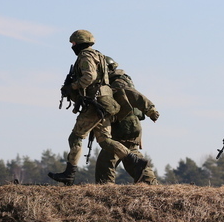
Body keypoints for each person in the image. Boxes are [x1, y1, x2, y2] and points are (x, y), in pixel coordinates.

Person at [48, 30, 149, 186]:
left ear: (79, 43)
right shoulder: (99, 56)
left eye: (73, 43)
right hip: (105, 103)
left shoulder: (85, 55)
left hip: (95, 104)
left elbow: (89, 77)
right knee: (105, 140)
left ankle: (69, 173)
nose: (72, 46)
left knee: (75, 137)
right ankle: (135, 161)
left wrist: (73, 86)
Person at [95, 56, 159, 184]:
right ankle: (150, 184)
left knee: (107, 159)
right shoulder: (115, 81)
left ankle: (105, 188)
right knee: (131, 155)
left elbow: (133, 95)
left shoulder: (117, 82)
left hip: (125, 126)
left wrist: (150, 110)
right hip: (129, 125)